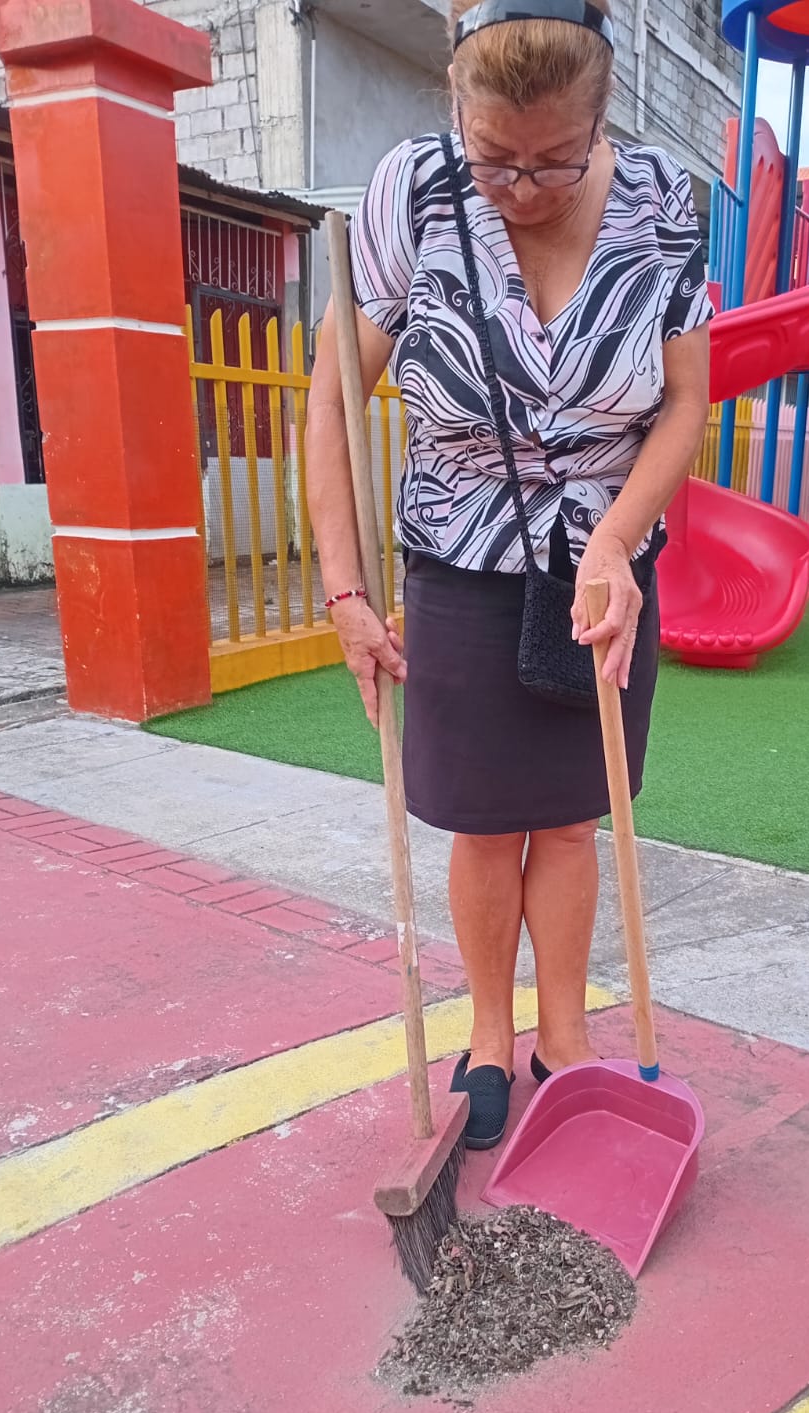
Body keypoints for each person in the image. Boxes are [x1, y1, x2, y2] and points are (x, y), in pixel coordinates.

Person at [306, 0, 711, 1149]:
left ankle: (564, 1038)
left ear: (600, 119)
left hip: (602, 565)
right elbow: (330, 405)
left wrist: (617, 540)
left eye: (554, 161)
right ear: (456, 107)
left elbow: (686, 399)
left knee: (574, 820)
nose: (523, 188)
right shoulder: (412, 192)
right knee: (484, 826)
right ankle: (490, 1033)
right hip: (461, 560)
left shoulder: (662, 201)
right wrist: (345, 593)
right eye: (496, 159)